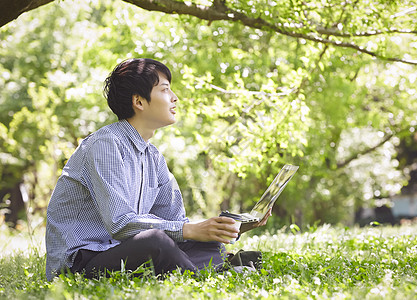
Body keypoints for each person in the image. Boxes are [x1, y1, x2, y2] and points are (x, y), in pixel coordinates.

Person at [45, 58, 270, 281]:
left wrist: (226, 228)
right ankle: (213, 274)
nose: (175, 98)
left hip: (124, 252)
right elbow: (120, 224)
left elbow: (175, 221)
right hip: (82, 263)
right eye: (165, 90)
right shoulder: (106, 145)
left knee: (209, 244)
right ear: (139, 102)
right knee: (156, 242)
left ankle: (210, 266)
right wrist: (189, 230)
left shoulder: (153, 157)